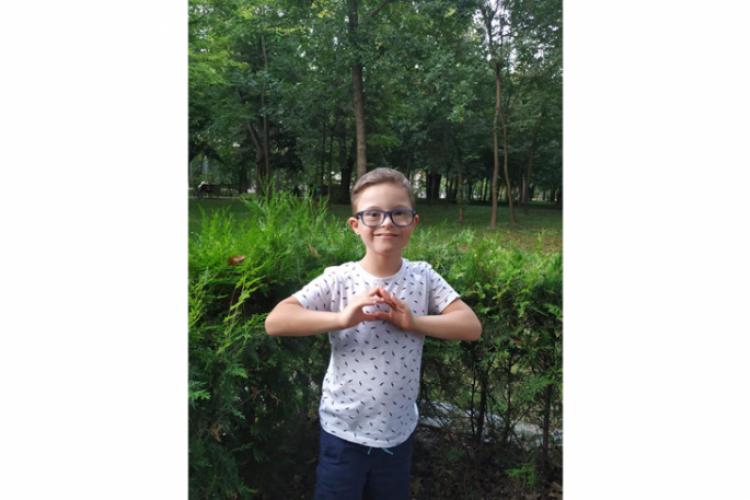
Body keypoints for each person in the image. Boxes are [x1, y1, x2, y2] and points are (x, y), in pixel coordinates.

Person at [265, 167, 482, 500]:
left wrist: (414, 322)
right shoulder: (339, 279)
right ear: (355, 224)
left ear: (413, 222)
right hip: (343, 433)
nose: (387, 223)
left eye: (399, 213)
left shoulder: (423, 277)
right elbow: (277, 320)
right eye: (373, 214)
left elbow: (470, 326)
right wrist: (342, 318)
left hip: (398, 434)